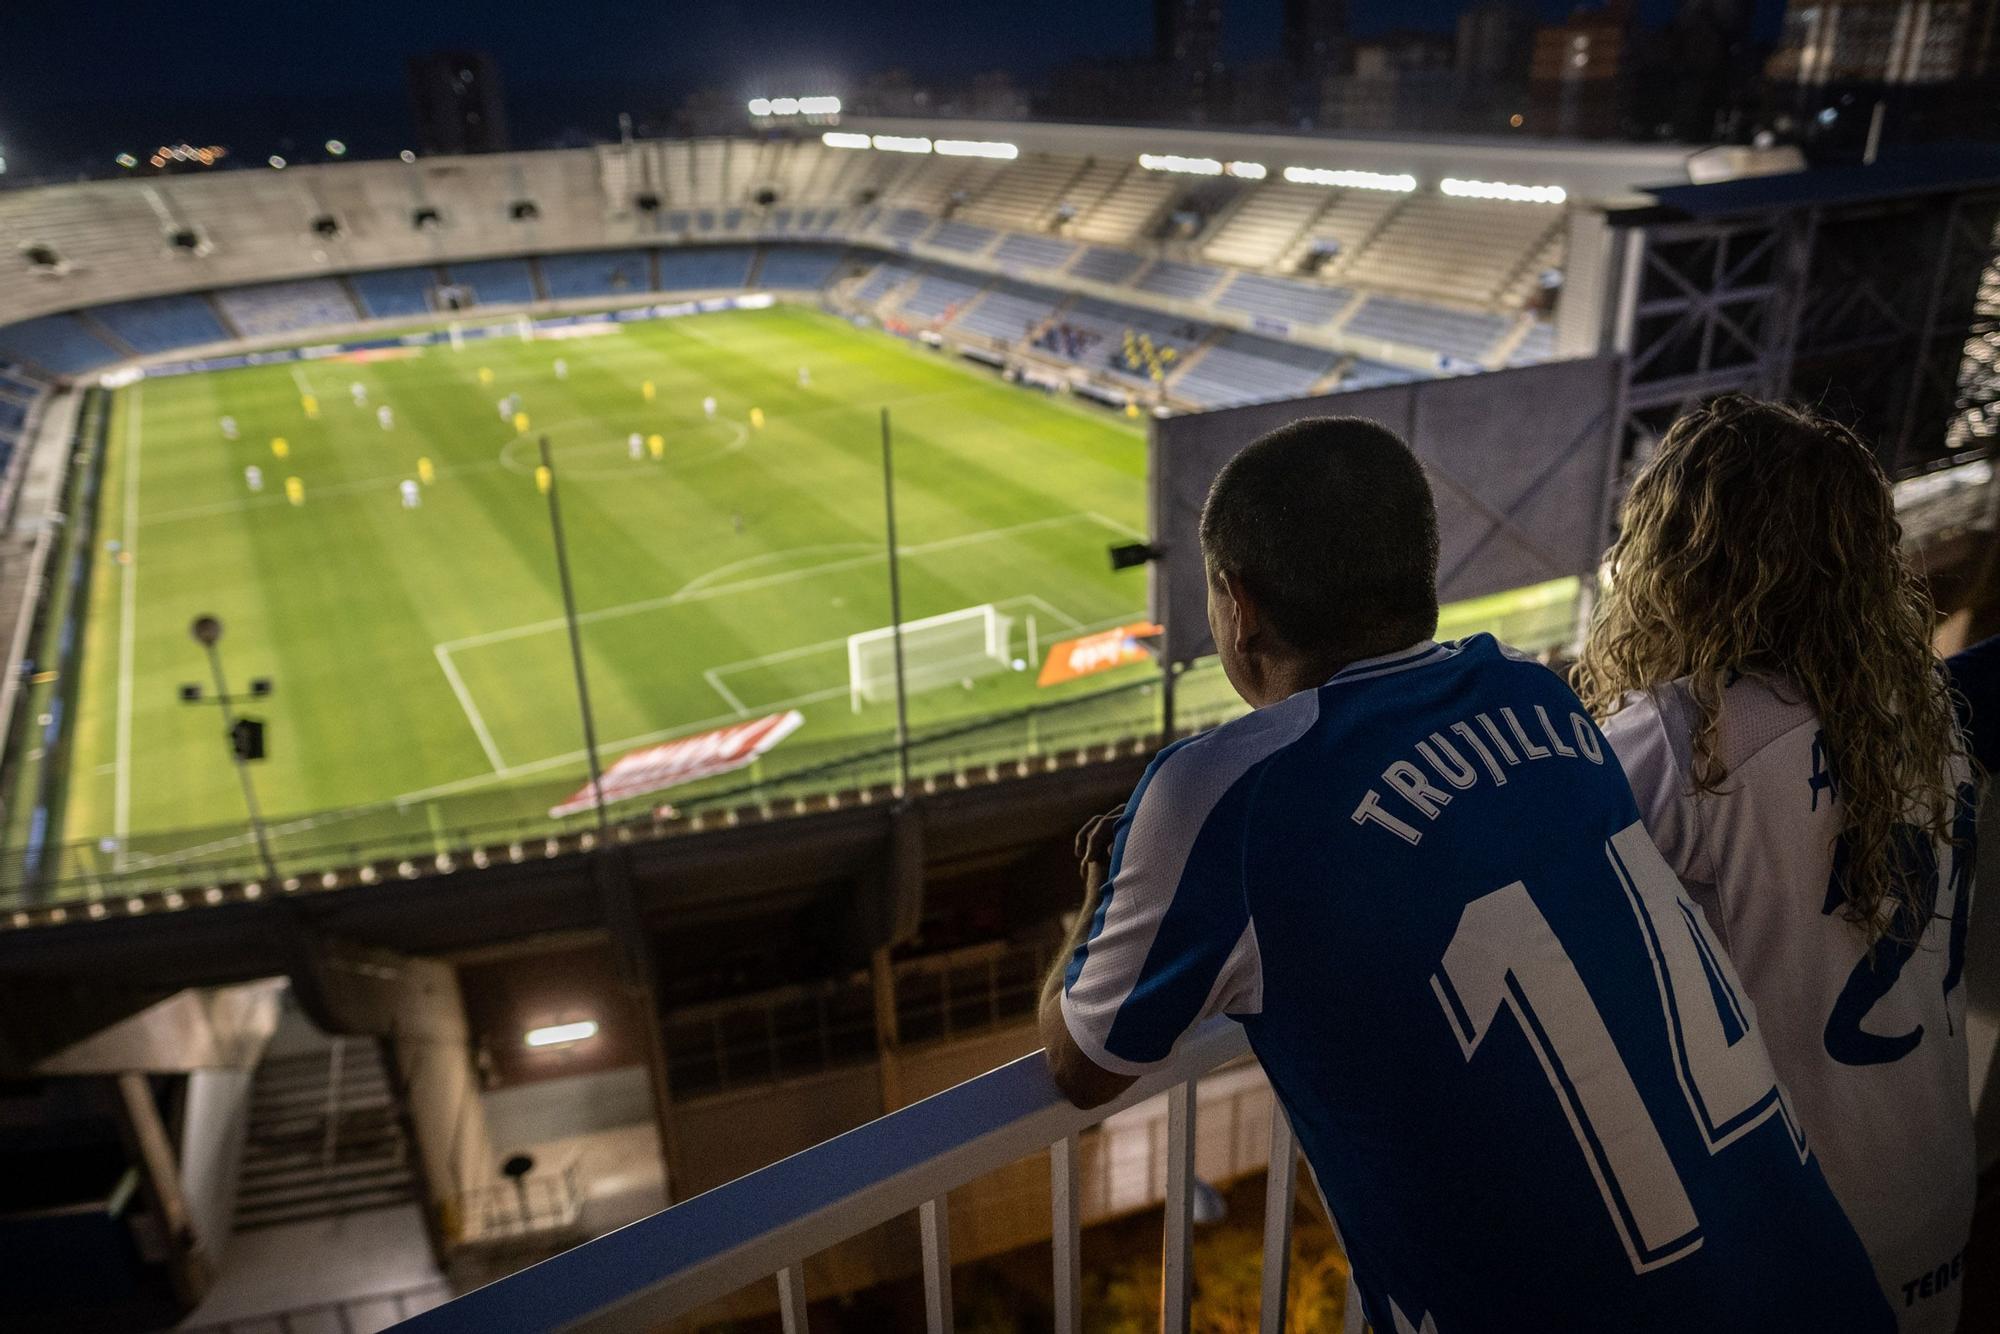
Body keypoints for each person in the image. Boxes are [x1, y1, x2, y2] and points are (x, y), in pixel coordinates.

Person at [1039, 417, 1892, 1333]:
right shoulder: (1539, 697)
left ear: (1238, 606)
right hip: (1823, 1285)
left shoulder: (1226, 792)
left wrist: (1093, 900)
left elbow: (1084, 1061)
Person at [1575, 396, 1977, 1332]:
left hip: (1794, 1223)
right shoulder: (1919, 716)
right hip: (1932, 1186)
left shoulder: (1682, 741)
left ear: (1681, 554)